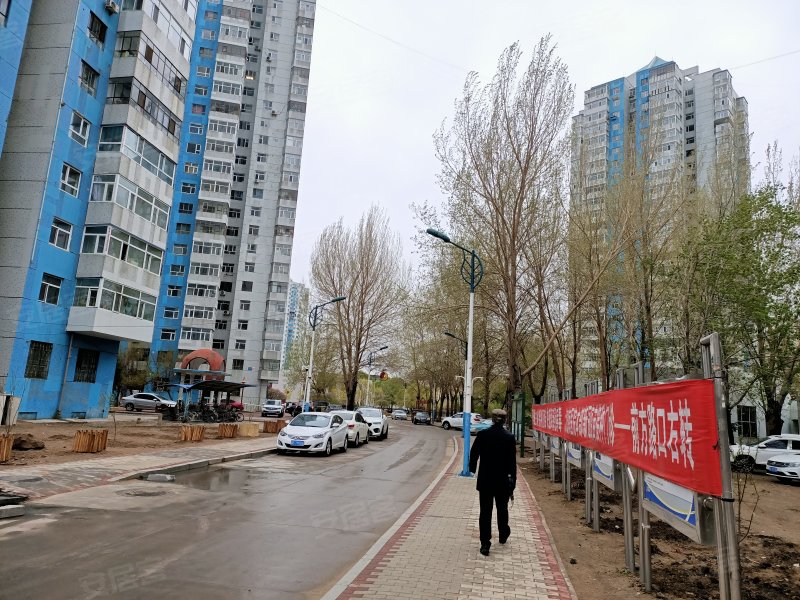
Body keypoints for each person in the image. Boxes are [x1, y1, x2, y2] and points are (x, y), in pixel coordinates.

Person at [468, 408, 516, 556]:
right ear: (505, 420)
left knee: (485, 512)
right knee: (502, 509)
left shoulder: (483, 435)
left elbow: (474, 453)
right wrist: (512, 482)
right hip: (502, 481)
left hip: (485, 481)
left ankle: (485, 543)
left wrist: (472, 469)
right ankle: (503, 534)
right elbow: (511, 463)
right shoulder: (509, 437)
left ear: (492, 419)